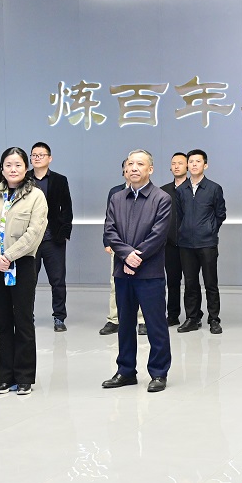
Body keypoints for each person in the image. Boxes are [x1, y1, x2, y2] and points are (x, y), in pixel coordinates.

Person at [101, 149, 172, 393]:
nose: (133, 168)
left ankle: (159, 372)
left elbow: (158, 235)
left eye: (140, 164)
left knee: (155, 324)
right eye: (130, 164)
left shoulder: (161, 198)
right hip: (123, 272)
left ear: (150, 169)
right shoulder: (116, 198)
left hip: (149, 272)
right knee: (125, 324)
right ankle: (126, 371)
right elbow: (110, 231)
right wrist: (126, 256)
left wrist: (136, 257)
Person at [0, 147, 47, 395]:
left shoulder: (36, 196)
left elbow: (34, 232)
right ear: (2, 168)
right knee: (3, 321)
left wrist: (8, 256)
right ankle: (6, 377)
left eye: (18, 164)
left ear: (26, 168)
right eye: (8, 165)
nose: (13, 169)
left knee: (23, 320)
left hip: (22, 264)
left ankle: (25, 377)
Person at [176, 149, 226, 334]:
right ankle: (192, 318)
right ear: (187, 165)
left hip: (207, 243)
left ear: (205, 165)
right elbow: (179, 215)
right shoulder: (181, 190)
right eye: (191, 161)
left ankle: (214, 319)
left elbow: (220, 214)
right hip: (186, 244)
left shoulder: (214, 188)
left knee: (210, 282)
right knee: (190, 283)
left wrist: (209, 230)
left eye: (198, 161)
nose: (194, 164)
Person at [30, 142, 74, 332]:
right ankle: (27, 316)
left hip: (53, 239)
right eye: (34, 155)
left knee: (57, 281)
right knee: (28, 281)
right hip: (29, 241)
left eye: (41, 154)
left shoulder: (60, 180)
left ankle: (59, 317)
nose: (37, 157)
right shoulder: (24, 179)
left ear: (50, 158)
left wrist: (64, 234)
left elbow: (67, 208)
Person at [100, 160, 130, 335]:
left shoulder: (152, 193)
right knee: (115, 283)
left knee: (141, 283)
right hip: (118, 244)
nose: (131, 169)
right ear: (123, 171)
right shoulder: (115, 192)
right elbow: (108, 218)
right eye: (128, 167)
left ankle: (141, 320)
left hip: (141, 246)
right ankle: (114, 319)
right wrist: (107, 241)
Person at [162, 152, 188, 327]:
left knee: (191, 282)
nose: (176, 166)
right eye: (173, 163)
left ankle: (193, 315)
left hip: (190, 244)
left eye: (180, 163)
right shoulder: (163, 191)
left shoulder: (193, 189)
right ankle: (172, 315)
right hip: (169, 244)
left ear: (187, 166)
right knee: (172, 281)